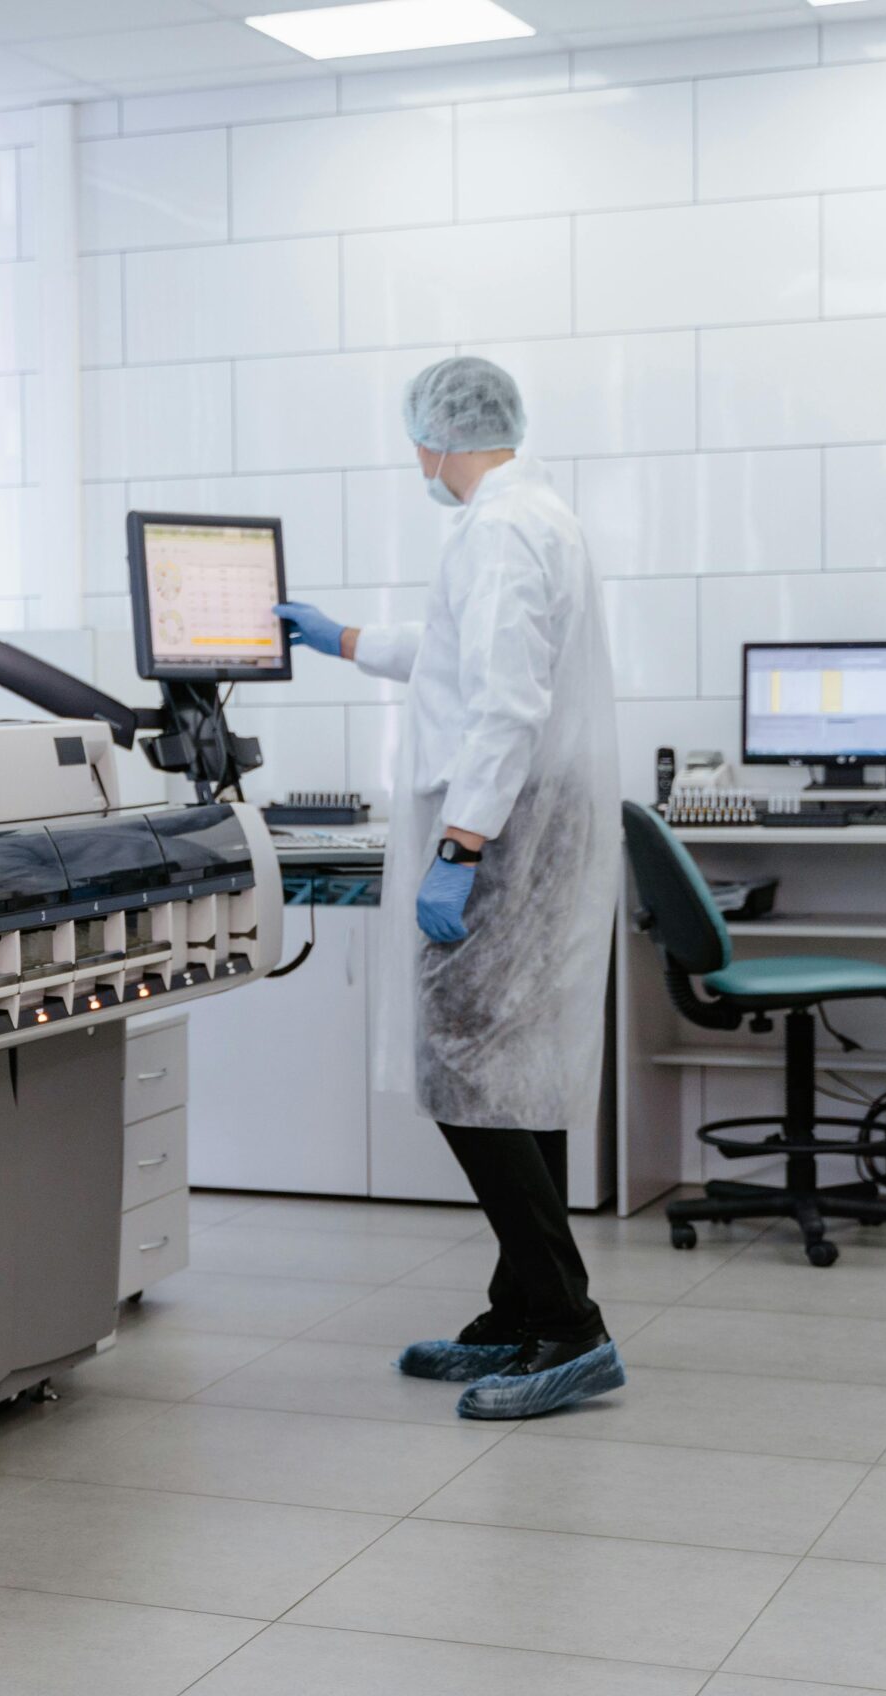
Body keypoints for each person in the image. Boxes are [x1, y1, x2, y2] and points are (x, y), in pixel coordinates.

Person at [274, 356, 624, 1421]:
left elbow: (506, 703)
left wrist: (459, 849)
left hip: (499, 832)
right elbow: (454, 654)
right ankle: (524, 1308)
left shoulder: (502, 529)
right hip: (525, 823)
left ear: (434, 435)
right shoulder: (526, 519)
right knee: (511, 1071)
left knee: (468, 1070)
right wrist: (340, 638)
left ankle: (567, 1326)